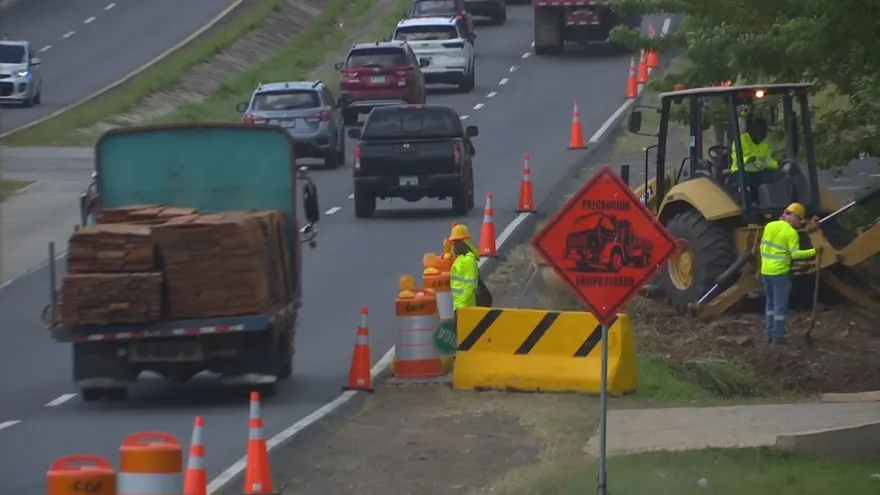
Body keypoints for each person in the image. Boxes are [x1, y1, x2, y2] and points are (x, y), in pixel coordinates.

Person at [759, 202, 818, 344]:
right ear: (794, 217)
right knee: (780, 306)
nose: (799, 223)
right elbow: (795, 254)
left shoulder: (769, 226)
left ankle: (768, 334)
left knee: (770, 304)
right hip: (780, 273)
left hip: (765, 271)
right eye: (799, 220)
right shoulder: (791, 233)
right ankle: (778, 336)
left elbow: (762, 247)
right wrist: (815, 251)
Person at [730, 117, 779, 204]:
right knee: (748, 183)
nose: (764, 134)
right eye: (761, 131)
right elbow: (736, 157)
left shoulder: (765, 145)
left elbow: (767, 161)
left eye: (765, 132)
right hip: (740, 172)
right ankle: (748, 205)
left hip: (757, 173)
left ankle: (767, 205)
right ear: (753, 131)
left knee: (773, 178)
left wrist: (778, 163)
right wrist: (747, 159)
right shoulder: (741, 140)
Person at [449, 224, 480, 315]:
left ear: (463, 242)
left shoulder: (469, 260)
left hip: (466, 308)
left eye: (455, 242)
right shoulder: (460, 259)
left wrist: (462, 306)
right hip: (458, 305)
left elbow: (469, 286)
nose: (453, 246)